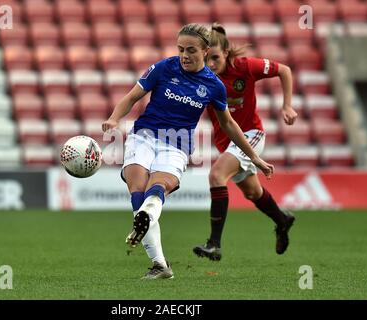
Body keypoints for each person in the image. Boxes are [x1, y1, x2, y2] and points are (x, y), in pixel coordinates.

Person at [101, 23, 274, 280]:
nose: (184, 55)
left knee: (156, 190)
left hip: (177, 144)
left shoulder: (214, 86)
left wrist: (254, 157)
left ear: (205, 50)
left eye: (191, 50)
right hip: (144, 137)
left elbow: (229, 124)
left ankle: (151, 233)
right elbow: (132, 97)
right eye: (180, 49)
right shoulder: (163, 67)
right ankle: (160, 263)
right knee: (138, 193)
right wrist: (115, 119)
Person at [193, 23, 298, 261]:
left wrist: (287, 105)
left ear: (227, 53)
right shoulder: (201, 76)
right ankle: (282, 220)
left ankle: (214, 244)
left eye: (215, 58)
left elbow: (285, 70)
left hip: (251, 134)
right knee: (252, 193)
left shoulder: (246, 67)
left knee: (216, 176)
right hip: (227, 142)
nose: (210, 64)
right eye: (206, 58)